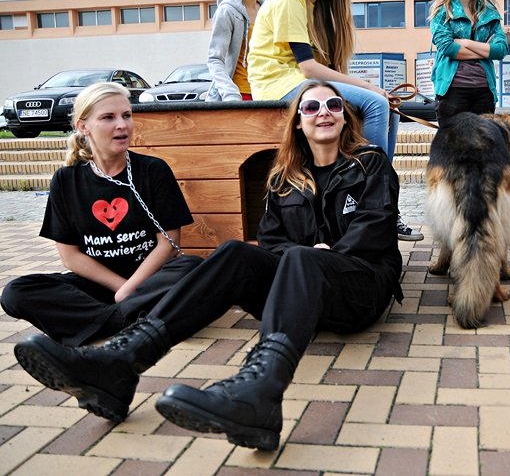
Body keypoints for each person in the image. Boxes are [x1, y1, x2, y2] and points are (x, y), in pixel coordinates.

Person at [13, 80, 403, 452]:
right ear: (298, 122)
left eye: (333, 106)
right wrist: (300, 256)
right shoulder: (283, 179)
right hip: (299, 292)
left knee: (299, 256)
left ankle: (260, 391)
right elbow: (271, 242)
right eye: (311, 107)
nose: (324, 113)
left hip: (359, 289)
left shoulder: (369, 164)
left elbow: (375, 229)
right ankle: (119, 362)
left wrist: (323, 255)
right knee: (234, 252)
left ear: (345, 118)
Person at [0, 83, 201, 346]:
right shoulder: (66, 179)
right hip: (98, 285)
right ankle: (128, 322)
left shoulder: (153, 170)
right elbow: (70, 256)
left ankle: (101, 323)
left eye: (127, 115)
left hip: (150, 279)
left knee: (192, 268)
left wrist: (132, 289)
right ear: (83, 126)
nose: (122, 125)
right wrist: (121, 289)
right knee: (17, 292)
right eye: (108, 117)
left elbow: (169, 243)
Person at [245, 0, 421, 241]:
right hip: (278, 82)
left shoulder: (314, 7)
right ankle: (375, 196)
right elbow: (310, 68)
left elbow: (319, 68)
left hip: (295, 79)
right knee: (377, 103)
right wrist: (370, 87)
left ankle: (385, 201)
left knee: (386, 108)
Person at [429, 0, 508, 120]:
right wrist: (484, 51)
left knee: (483, 145)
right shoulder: (441, 11)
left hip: (484, 90)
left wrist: (465, 42)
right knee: (454, 146)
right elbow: (448, 48)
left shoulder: (489, 12)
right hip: (452, 90)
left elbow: (500, 50)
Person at [206, 0, 273, 102]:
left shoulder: (268, 9)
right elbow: (215, 59)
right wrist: (230, 95)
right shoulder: (228, 11)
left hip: (268, 93)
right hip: (240, 95)